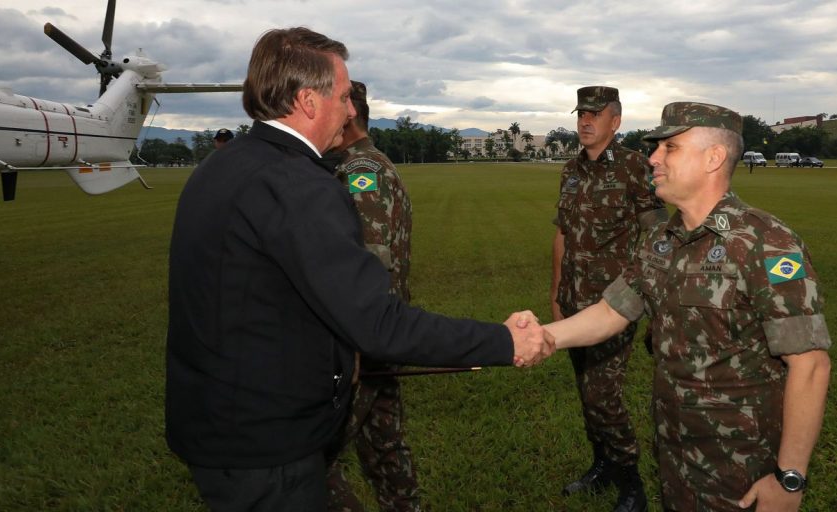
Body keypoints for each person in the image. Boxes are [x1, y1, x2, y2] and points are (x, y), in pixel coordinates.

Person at [165, 27, 553, 511]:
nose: (352, 111)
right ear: (308, 100)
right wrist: (504, 341)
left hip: (214, 424)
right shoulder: (300, 186)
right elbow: (377, 324)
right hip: (265, 447)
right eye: (345, 96)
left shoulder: (222, 167)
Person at [544, 102, 832, 512]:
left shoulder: (765, 242)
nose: (653, 159)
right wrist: (541, 337)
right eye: (656, 149)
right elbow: (612, 312)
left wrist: (790, 478)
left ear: (714, 158)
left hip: (740, 463)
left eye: (669, 148)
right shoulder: (662, 239)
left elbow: (810, 364)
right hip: (675, 447)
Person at [551, 85, 667, 512]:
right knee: (586, 391)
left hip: (615, 304)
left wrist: (649, 295)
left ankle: (631, 484)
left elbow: (657, 234)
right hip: (574, 299)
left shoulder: (636, 168)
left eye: (595, 114)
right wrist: (556, 289)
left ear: (614, 122)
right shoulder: (571, 170)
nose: (585, 121)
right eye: (581, 113)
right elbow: (562, 232)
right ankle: (601, 464)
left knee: (603, 394)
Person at [319, 81, 421, 512]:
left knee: (312, 458)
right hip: (377, 332)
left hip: (363, 336)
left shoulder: (364, 171)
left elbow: (373, 260)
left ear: (349, 114)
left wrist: (356, 342)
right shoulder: (352, 165)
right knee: (383, 441)